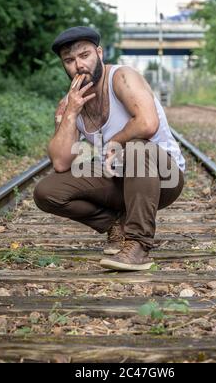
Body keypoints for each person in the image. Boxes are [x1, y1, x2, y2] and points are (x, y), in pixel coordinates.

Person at [33, 26, 186, 272]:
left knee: (136, 147)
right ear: (64, 65)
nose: (79, 65)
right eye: (69, 60)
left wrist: (115, 141)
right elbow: (61, 162)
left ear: (99, 54)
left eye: (85, 55)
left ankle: (138, 245)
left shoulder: (122, 77)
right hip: (122, 181)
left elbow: (147, 123)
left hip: (164, 178)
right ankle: (116, 225)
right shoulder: (70, 104)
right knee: (47, 191)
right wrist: (71, 112)